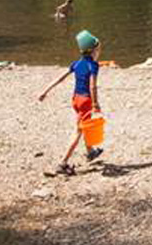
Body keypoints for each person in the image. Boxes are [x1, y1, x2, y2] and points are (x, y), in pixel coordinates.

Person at [37, 30, 105, 174]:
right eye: (99, 48)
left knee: (83, 125)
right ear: (93, 50)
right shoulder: (93, 65)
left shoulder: (76, 63)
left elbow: (60, 78)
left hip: (76, 99)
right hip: (86, 100)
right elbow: (93, 85)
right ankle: (63, 163)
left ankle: (90, 152)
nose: (99, 51)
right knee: (78, 131)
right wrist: (95, 103)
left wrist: (45, 91)